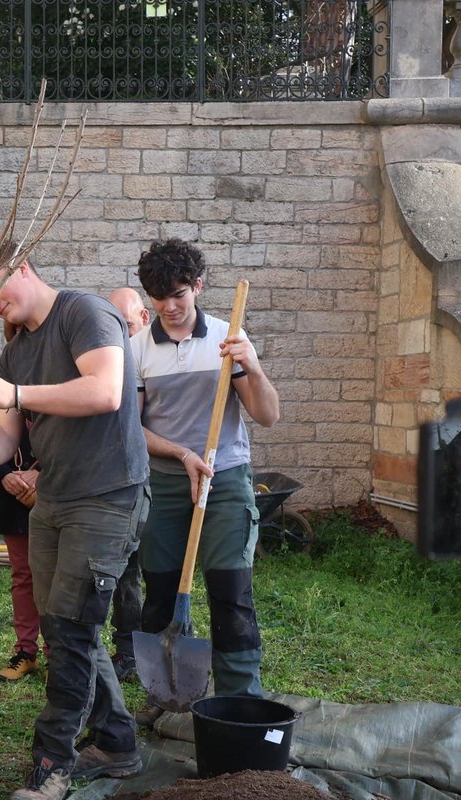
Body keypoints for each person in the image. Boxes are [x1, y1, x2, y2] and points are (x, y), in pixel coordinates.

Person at [0, 241, 149, 800]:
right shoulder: (15, 353)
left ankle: (52, 764)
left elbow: (105, 391)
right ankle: (118, 743)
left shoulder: (85, 313)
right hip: (54, 497)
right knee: (70, 627)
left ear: (25, 267)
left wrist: (13, 391)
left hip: (109, 493)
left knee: (68, 628)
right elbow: (8, 433)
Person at [132, 238, 279, 709]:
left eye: (178, 295)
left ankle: (240, 699)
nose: (170, 307)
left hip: (225, 479)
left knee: (230, 591)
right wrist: (180, 454)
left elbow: (268, 415)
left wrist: (251, 367)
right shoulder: (136, 350)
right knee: (159, 591)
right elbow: (133, 429)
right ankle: (166, 696)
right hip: (165, 484)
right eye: (159, 299)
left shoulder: (227, 338)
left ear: (197, 286)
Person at [0, 322, 42, 683]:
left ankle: (59, 653)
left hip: (50, 487)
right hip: (9, 488)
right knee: (23, 575)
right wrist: (6, 472)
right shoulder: (2, 377)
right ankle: (26, 650)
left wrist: (41, 474)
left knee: (53, 578)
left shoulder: (57, 375)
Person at [105, 287, 151, 682]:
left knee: (164, 570)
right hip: (125, 483)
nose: (122, 332)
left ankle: (163, 645)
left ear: (144, 319)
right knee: (127, 570)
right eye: (115, 325)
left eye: (128, 324)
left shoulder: (153, 355)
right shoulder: (111, 363)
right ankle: (129, 650)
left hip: (165, 476)